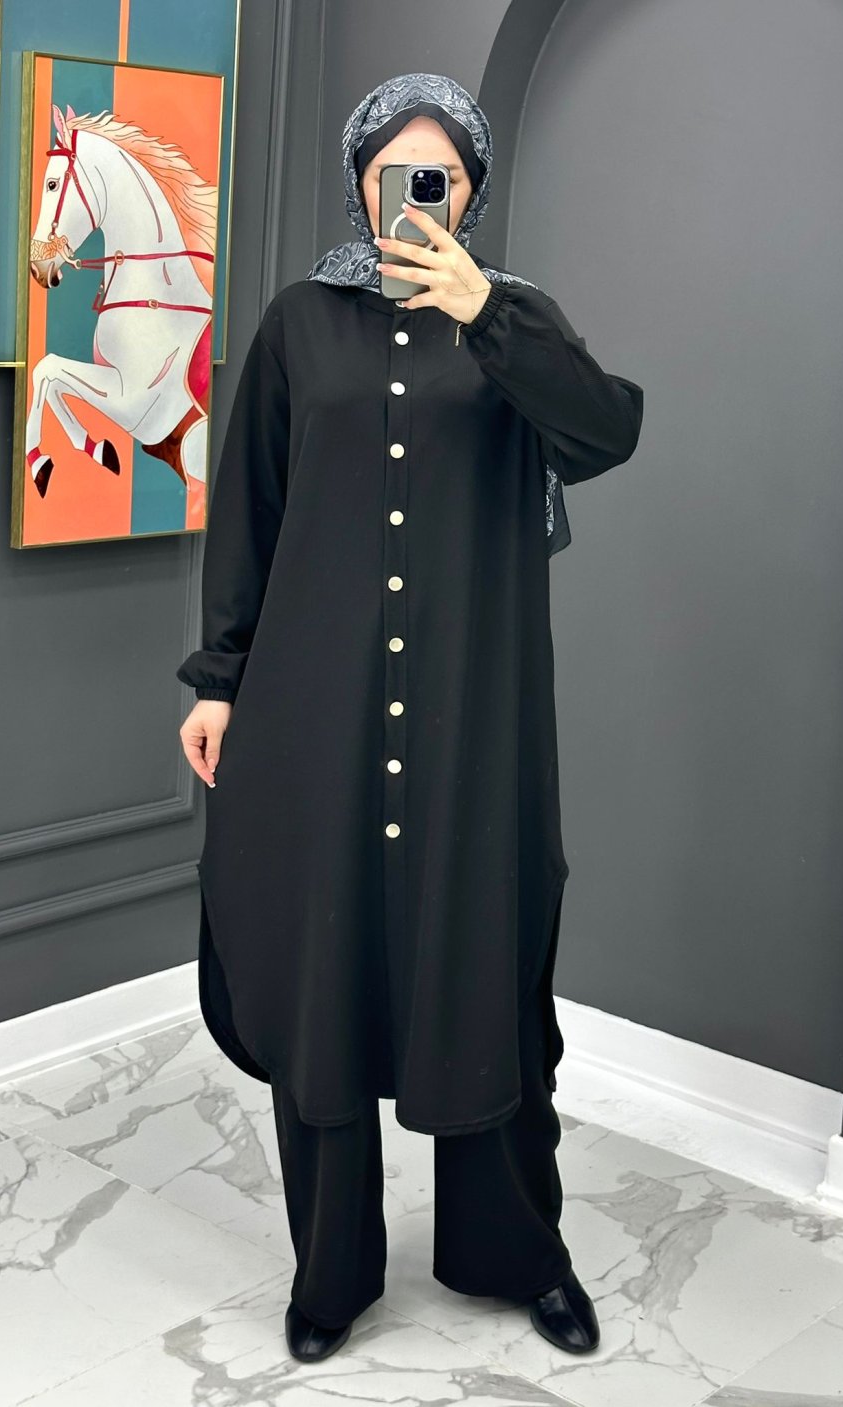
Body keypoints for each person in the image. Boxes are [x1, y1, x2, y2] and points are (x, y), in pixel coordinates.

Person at [177, 71, 643, 1363]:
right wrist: (219, 679)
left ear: (473, 193)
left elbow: (605, 433)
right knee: (325, 972)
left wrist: (487, 314)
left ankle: (517, 1254)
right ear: (360, 182)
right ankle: (330, 1275)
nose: (418, 194)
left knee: (482, 966)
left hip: (473, 720)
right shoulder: (299, 325)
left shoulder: (516, 322)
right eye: (396, 172)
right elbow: (251, 513)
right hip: (312, 714)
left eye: (442, 175)